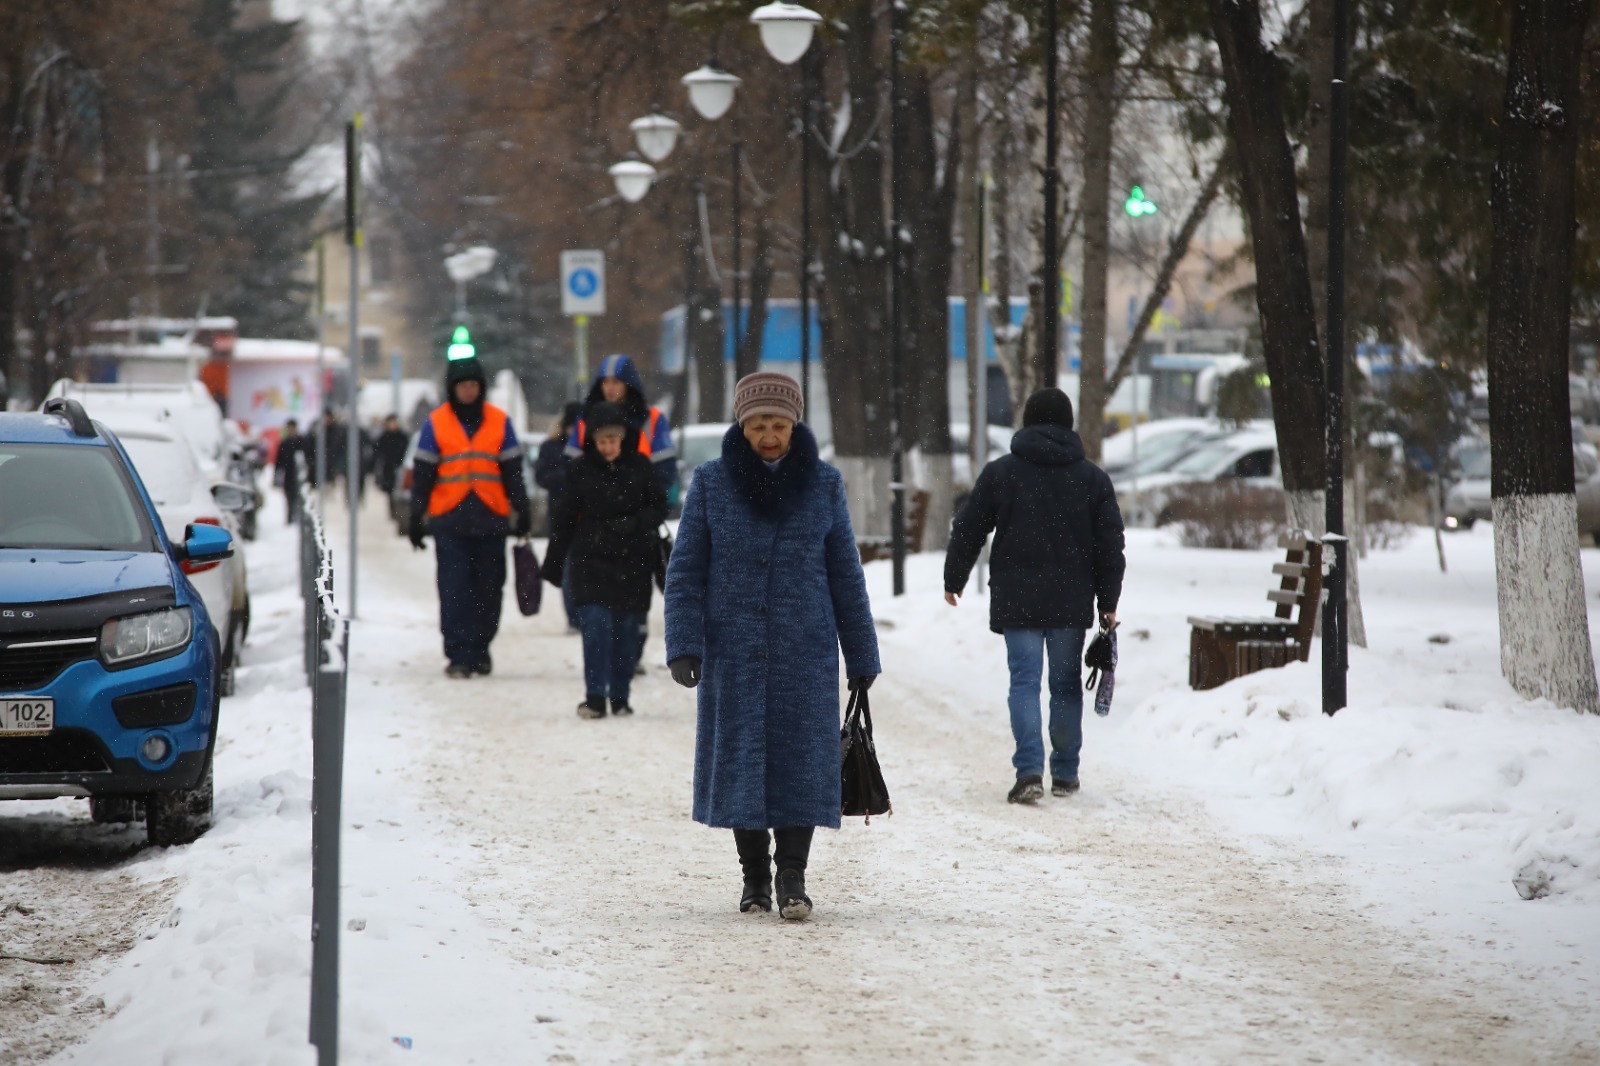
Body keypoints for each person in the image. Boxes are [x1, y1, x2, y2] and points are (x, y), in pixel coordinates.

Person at [663, 372, 880, 921]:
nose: (768, 435)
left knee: (802, 764)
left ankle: (793, 876)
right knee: (742, 763)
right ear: (741, 425)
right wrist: (684, 644)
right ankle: (754, 877)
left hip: (804, 651)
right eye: (758, 424)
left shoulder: (823, 484)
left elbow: (845, 575)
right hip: (732, 650)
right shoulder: (711, 483)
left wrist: (862, 655)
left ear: (794, 425)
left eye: (778, 425)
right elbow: (685, 570)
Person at [943, 387, 1126, 804]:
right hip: (1070, 599)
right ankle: (1065, 772)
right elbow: (1110, 546)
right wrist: (1108, 602)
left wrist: (954, 577)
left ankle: (1028, 771)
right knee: (1064, 686)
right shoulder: (1092, 479)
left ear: (1026, 421)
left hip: (1017, 598)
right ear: (1069, 424)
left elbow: (969, 527)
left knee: (1024, 682)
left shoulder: (1001, 473)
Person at [409, 356, 532, 678]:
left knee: (489, 590)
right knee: (454, 590)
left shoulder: (500, 422)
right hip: (450, 520)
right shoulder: (436, 423)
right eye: (463, 385)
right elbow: (423, 474)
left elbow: (513, 472)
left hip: (491, 518)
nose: (468, 391)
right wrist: (416, 515)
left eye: (473, 385)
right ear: (452, 389)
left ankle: (481, 647)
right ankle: (459, 654)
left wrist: (523, 509)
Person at [541, 402, 666, 718]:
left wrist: (634, 522)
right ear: (592, 441)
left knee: (626, 634)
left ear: (623, 438)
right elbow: (564, 518)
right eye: (601, 441)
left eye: (613, 440)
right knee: (596, 629)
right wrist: (554, 561)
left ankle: (620, 697)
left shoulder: (641, 467)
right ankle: (595, 697)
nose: (608, 447)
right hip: (591, 560)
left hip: (633, 562)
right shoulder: (580, 470)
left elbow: (659, 506)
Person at [566, 354, 677, 671]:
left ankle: (630, 655)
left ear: (629, 385)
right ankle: (606, 656)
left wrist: (645, 506)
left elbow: (664, 469)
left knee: (634, 597)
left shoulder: (652, 419)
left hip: (637, 523)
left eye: (616, 382)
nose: (610, 388)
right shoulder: (585, 420)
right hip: (596, 525)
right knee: (598, 597)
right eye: (605, 382)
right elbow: (572, 471)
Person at [534, 402, 584, 633]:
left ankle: (585, 615)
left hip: (586, 515)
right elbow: (542, 476)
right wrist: (568, 477)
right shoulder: (551, 447)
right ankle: (574, 618)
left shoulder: (589, 445)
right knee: (567, 567)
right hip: (562, 515)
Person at [273, 418, 309, 523]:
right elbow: (279, 461)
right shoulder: (284, 443)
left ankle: (298, 518)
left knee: (299, 498)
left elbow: (307, 456)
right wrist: (277, 476)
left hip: (299, 475)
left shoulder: (301, 441)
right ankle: (290, 518)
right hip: (288, 475)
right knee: (289, 497)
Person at [372, 414, 410, 496]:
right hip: (388, 469)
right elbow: (377, 453)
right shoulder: (383, 437)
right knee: (390, 491)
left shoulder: (403, 437)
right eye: (391, 422)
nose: (393, 424)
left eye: (394, 422)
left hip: (400, 466)